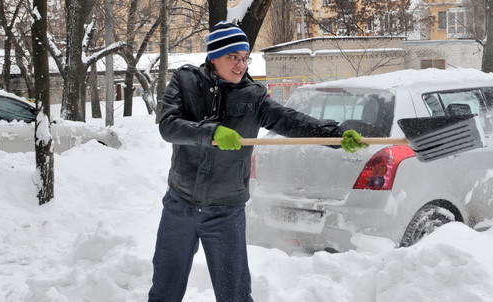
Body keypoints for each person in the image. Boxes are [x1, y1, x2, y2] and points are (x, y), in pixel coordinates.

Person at [148, 21, 366, 302]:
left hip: (225, 211)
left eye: (245, 58)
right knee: (164, 289)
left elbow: (288, 119)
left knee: (235, 294)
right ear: (213, 57)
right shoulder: (185, 81)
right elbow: (168, 126)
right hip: (180, 205)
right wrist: (210, 132)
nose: (241, 65)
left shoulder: (253, 96)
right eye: (233, 58)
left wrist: (333, 135)